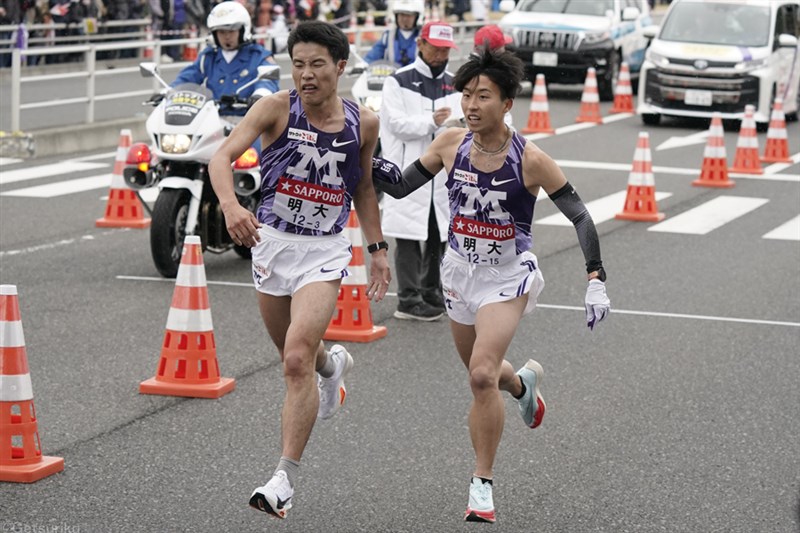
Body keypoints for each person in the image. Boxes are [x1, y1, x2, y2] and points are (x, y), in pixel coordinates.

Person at [372, 48, 611, 523]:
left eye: (483, 96)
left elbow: (580, 214)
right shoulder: (450, 144)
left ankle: (482, 485)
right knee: (488, 372)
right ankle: (522, 385)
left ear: (506, 104)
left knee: (480, 374)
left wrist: (595, 275)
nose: (471, 105)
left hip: (507, 276)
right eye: (466, 95)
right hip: (460, 272)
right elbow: (399, 186)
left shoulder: (531, 160)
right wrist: (363, 160)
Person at [208, 20, 391, 520]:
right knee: (302, 360)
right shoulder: (275, 109)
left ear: (340, 66)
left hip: (325, 251)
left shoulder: (363, 123)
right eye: (299, 64)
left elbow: (365, 188)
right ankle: (334, 369)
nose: (307, 75)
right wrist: (230, 206)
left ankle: (283, 479)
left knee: (294, 360)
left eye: (317, 65)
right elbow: (221, 159)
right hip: (272, 246)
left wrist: (376, 248)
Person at [379, 20, 462, 321]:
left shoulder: (455, 82)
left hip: (442, 174)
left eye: (445, 49)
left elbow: (462, 121)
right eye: (436, 48)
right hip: (408, 171)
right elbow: (396, 124)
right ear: (421, 45)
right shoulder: (398, 81)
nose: (441, 55)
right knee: (409, 237)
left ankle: (433, 292)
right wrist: (432, 121)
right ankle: (408, 299)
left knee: (440, 233)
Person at [170, 1, 280, 116]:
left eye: (231, 31)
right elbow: (187, 77)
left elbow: (268, 81)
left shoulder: (259, 56)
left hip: (248, 119)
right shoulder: (208, 56)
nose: (227, 37)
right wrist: (169, 92)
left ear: (242, 30)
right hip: (213, 119)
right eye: (221, 32)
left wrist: (260, 95)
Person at [363, 0, 423, 67]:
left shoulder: (423, 37)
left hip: (415, 76)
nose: (405, 19)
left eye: (409, 15)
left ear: (417, 17)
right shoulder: (388, 36)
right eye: (402, 15)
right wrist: (363, 64)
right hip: (393, 75)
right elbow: (374, 54)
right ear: (396, 16)